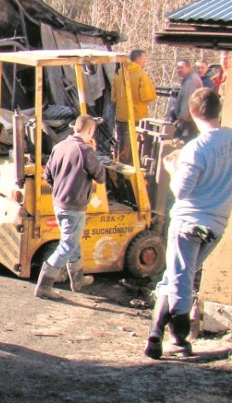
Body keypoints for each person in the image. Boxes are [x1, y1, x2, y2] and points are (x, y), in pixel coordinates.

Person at [144, 88, 232, 360]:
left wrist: (173, 169)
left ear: (192, 113)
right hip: (216, 225)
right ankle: (155, 336)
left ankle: (178, 339)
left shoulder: (196, 148)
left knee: (179, 281)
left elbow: (181, 190)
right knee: (177, 276)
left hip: (188, 223)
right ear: (219, 110)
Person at [34, 115, 106, 299]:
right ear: (90, 131)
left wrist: (61, 189)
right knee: (68, 244)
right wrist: (94, 152)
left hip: (59, 203)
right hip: (74, 205)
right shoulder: (85, 151)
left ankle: (78, 278)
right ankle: (44, 285)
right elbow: (100, 176)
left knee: (74, 240)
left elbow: (47, 175)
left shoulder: (59, 146)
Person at [111, 49, 157, 163]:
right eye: (144, 59)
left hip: (121, 116)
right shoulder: (141, 74)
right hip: (136, 116)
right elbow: (147, 96)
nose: (144, 61)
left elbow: (113, 97)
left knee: (121, 144)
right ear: (139, 59)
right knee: (134, 147)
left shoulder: (118, 74)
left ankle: (119, 165)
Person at [169, 59, 202, 142]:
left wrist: (182, 117)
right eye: (177, 68)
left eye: (181, 67)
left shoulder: (192, 80)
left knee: (184, 143)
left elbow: (188, 100)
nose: (178, 70)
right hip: (186, 120)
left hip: (187, 121)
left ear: (189, 67)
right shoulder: (188, 79)